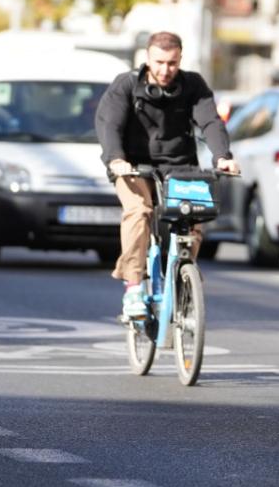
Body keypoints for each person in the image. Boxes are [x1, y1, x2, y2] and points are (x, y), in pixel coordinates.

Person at [95, 32, 240, 318]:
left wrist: (222, 157)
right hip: (134, 165)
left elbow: (210, 122)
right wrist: (116, 159)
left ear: (180, 59)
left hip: (179, 166)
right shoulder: (126, 85)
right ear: (147, 59)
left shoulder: (193, 85)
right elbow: (109, 124)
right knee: (139, 211)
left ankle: (184, 278)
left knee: (194, 217)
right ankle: (134, 287)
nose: (165, 70)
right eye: (159, 62)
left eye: (172, 63)